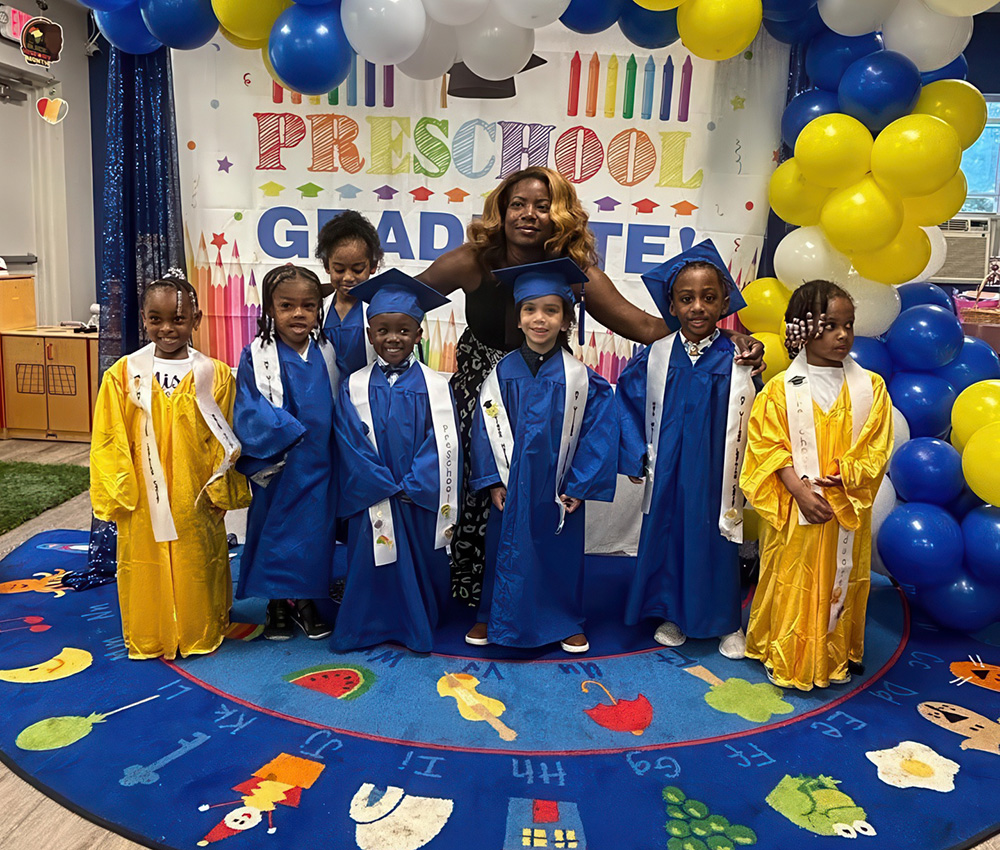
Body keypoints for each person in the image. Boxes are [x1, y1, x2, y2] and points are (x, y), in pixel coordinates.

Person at [416, 166, 765, 604]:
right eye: (518, 204)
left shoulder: (575, 270)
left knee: (541, 491)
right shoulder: (472, 260)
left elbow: (642, 325)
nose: (529, 214)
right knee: (480, 484)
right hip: (481, 392)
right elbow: (410, 297)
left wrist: (720, 335)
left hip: (548, 393)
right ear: (501, 211)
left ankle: (535, 591)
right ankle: (473, 590)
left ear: (558, 214)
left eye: (542, 206)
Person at [740, 280, 893, 690]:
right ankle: (785, 650)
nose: (842, 335)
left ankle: (834, 652)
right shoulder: (778, 391)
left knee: (842, 576)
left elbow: (876, 447)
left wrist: (847, 474)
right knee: (792, 573)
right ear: (802, 329)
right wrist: (799, 491)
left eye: (848, 324)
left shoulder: (871, 388)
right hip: (796, 509)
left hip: (842, 505)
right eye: (829, 325)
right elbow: (766, 448)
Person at [90, 275, 249, 660]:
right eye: (155, 319)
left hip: (193, 490)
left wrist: (219, 489)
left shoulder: (215, 374)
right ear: (143, 319)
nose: (167, 328)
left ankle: (201, 626)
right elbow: (109, 436)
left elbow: (226, 434)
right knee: (146, 559)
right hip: (144, 493)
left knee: (199, 558)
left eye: (178, 319)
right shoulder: (125, 374)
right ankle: (151, 632)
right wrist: (119, 491)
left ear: (197, 319)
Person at [466, 258, 618, 653]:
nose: (540, 319)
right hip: (513, 484)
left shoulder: (580, 378)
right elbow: (483, 431)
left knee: (559, 552)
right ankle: (491, 615)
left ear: (566, 319)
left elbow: (598, 434)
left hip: (559, 486)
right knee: (504, 546)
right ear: (517, 319)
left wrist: (580, 486)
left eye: (551, 310)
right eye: (530, 310)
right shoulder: (501, 375)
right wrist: (492, 480)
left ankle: (565, 618)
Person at [617, 240, 755, 659]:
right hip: (670, 469)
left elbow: (758, 413)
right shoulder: (656, 355)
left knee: (717, 538)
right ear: (672, 305)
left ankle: (725, 620)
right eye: (687, 298)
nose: (698, 307)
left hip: (716, 471)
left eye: (709, 298)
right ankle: (672, 614)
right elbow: (627, 401)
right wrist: (635, 452)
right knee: (670, 536)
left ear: (724, 302)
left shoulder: (738, 357)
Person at [332, 270, 461, 653]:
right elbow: (348, 441)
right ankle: (365, 626)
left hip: (414, 497)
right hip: (373, 494)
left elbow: (443, 443)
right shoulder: (353, 385)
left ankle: (415, 622)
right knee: (370, 559)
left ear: (419, 334)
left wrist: (413, 484)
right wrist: (381, 483)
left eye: (404, 330)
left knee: (419, 559)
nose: (393, 338)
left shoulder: (436, 386)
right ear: (370, 334)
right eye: (383, 330)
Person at [233, 265, 339, 641]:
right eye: (287, 306)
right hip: (278, 464)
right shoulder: (256, 354)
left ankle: (306, 600)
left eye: (308, 306)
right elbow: (247, 406)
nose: (298, 314)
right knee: (274, 532)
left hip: (319, 463)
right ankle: (276, 603)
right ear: (270, 309)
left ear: (318, 311)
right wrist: (286, 432)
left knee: (314, 535)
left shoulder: (326, 351)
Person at [316, 210, 382, 378]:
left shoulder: (379, 311)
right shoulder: (318, 310)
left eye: (358, 269)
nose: (348, 277)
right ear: (327, 266)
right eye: (339, 269)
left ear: (372, 266)